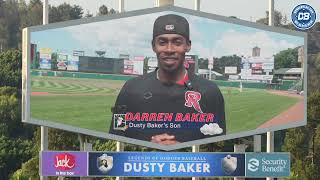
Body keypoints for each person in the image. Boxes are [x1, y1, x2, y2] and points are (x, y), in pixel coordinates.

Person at [109, 14, 226, 145]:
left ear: (187, 46)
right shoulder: (131, 89)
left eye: (177, 42)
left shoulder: (210, 92)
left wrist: (184, 150)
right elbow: (115, 137)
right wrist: (148, 146)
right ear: (154, 46)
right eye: (162, 42)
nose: (169, 49)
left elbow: (219, 145)